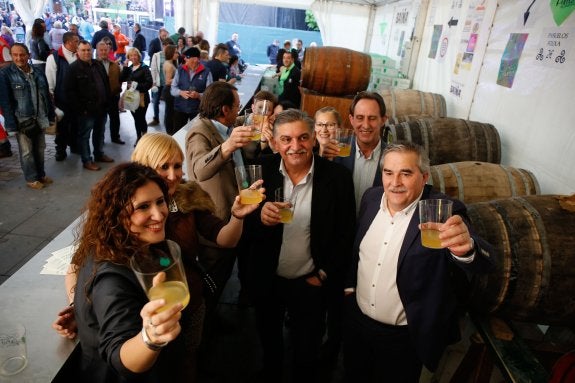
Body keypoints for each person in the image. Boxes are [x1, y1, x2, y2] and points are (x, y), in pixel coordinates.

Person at [53, 133, 264, 381]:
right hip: (156, 332)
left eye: (177, 165)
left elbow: (224, 238)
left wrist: (237, 216)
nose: (173, 175)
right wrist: (148, 337)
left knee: (185, 363)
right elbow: (120, 351)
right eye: (163, 166)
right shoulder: (113, 264)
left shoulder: (185, 201)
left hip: (187, 309)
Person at [343, 141, 495, 383]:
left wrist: (467, 248)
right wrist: (349, 288)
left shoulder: (442, 210)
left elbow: (486, 263)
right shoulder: (371, 199)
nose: (395, 183)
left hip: (403, 339)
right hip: (358, 325)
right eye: (388, 173)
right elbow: (357, 250)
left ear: (424, 177)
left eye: (406, 173)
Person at [247, 109, 356, 382]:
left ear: (314, 139)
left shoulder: (337, 178)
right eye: (286, 139)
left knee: (306, 350)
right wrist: (259, 217)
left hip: (309, 282)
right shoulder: (262, 169)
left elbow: (346, 233)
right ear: (274, 143)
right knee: (269, 341)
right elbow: (243, 226)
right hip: (269, 280)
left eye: (303, 137)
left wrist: (323, 274)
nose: (295, 146)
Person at [69, 162, 187, 382]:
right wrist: (151, 337)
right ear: (116, 214)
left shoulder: (117, 242)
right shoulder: (112, 279)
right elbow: (118, 355)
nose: (159, 215)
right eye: (143, 207)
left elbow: (72, 268)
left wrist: (78, 307)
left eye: (160, 201)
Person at [0, 43, 55, 189]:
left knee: (40, 148)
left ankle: (41, 175)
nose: (19, 58)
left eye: (22, 54)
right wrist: (11, 124)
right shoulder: (5, 74)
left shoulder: (37, 71)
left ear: (28, 55)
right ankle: (31, 178)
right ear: (11, 56)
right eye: (15, 55)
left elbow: (46, 96)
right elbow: (5, 102)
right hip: (22, 120)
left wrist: (50, 115)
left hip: (40, 117)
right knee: (26, 152)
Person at [65, 40, 114, 171]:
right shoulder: (73, 68)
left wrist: (107, 102)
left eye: (88, 50)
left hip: (101, 108)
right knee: (85, 135)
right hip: (86, 111)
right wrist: (81, 110)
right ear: (78, 52)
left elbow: (105, 84)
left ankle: (99, 154)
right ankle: (87, 160)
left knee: (100, 132)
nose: (86, 52)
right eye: (83, 50)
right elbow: (70, 92)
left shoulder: (98, 64)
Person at [45, 31, 80, 161]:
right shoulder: (54, 58)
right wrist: (52, 103)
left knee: (76, 125)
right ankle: (60, 150)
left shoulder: (78, 55)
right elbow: (50, 82)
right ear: (69, 42)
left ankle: (75, 146)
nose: (78, 43)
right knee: (62, 127)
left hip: (77, 100)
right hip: (62, 101)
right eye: (76, 41)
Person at [170, 46, 212, 132]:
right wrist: (180, 92)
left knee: (196, 134)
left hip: (197, 110)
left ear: (196, 59)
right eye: (185, 57)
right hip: (180, 108)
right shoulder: (180, 70)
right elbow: (173, 89)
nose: (185, 59)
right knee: (177, 133)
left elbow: (210, 94)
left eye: (187, 57)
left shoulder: (206, 72)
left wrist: (199, 95)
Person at [120, 47, 153, 144]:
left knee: (141, 118)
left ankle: (145, 137)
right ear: (128, 57)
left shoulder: (144, 68)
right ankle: (139, 136)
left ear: (139, 56)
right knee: (135, 118)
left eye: (135, 55)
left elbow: (149, 83)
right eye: (131, 55)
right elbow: (121, 79)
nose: (133, 57)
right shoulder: (129, 69)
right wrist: (125, 67)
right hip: (131, 97)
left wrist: (136, 85)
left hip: (142, 98)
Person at [95, 40, 124, 145]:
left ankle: (115, 137)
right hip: (99, 98)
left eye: (105, 50)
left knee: (115, 119)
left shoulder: (114, 65)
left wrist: (118, 91)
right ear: (97, 51)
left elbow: (120, 79)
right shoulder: (93, 65)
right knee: (100, 121)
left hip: (113, 96)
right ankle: (100, 140)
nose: (103, 52)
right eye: (101, 50)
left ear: (109, 51)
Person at [149, 38, 171, 127]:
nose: (167, 48)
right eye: (166, 46)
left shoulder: (171, 56)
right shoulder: (156, 55)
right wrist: (153, 81)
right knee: (155, 101)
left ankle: (167, 119)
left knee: (168, 102)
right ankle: (156, 118)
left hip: (168, 83)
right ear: (163, 46)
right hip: (158, 82)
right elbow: (153, 69)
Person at [162, 44, 179, 135]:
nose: (178, 54)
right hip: (169, 90)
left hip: (169, 90)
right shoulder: (169, 65)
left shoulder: (169, 63)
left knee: (169, 111)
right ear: (171, 53)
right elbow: (168, 81)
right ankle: (170, 131)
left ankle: (169, 130)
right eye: (176, 52)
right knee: (170, 112)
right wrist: (179, 79)